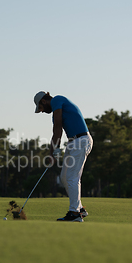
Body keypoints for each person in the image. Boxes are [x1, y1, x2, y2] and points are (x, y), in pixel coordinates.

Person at [34, 91, 93, 222]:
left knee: (72, 177)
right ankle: (79, 208)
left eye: (41, 108)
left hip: (81, 140)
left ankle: (75, 213)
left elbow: (58, 127)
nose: (42, 111)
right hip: (73, 142)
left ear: (43, 101)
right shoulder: (56, 111)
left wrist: (56, 149)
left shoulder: (57, 100)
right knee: (65, 177)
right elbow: (56, 131)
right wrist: (52, 153)